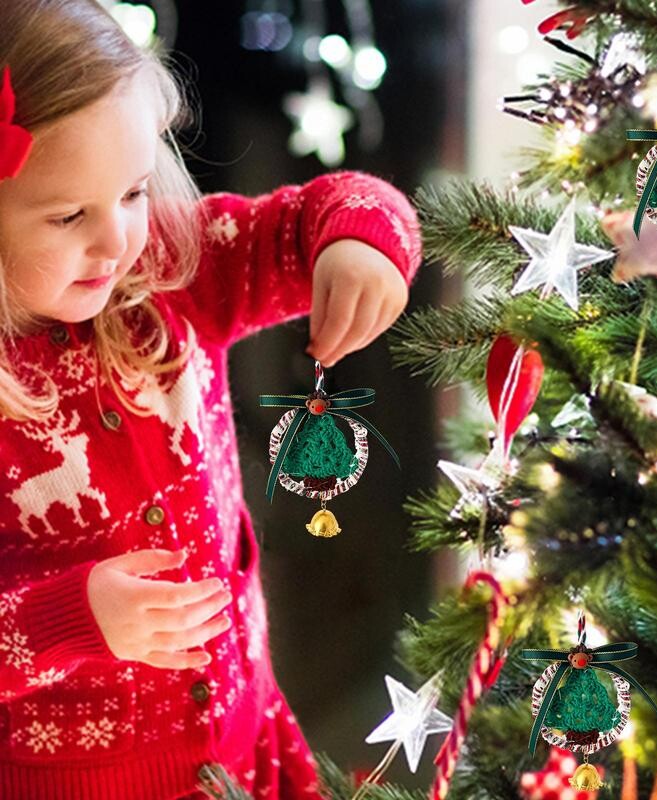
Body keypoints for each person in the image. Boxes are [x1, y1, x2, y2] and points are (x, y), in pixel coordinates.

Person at [0, 2, 422, 798]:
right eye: (68, 216)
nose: (117, 240)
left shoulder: (164, 272)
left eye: (129, 192)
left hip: (244, 742)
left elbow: (322, 212)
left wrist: (361, 244)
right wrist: (72, 619)